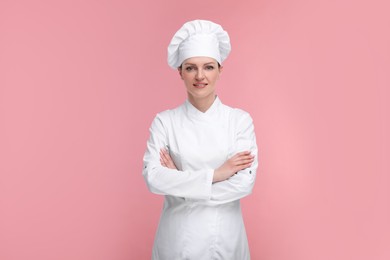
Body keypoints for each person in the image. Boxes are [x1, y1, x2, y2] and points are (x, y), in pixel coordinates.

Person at [142, 19, 258, 260]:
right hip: (177, 240)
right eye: (190, 67)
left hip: (225, 237)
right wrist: (216, 175)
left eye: (208, 67)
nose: (199, 76)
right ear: (180, 73)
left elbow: (244, 183)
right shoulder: (165, 122)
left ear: (220, 70)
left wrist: (180, 184)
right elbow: (153, 178)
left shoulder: (239, 120)